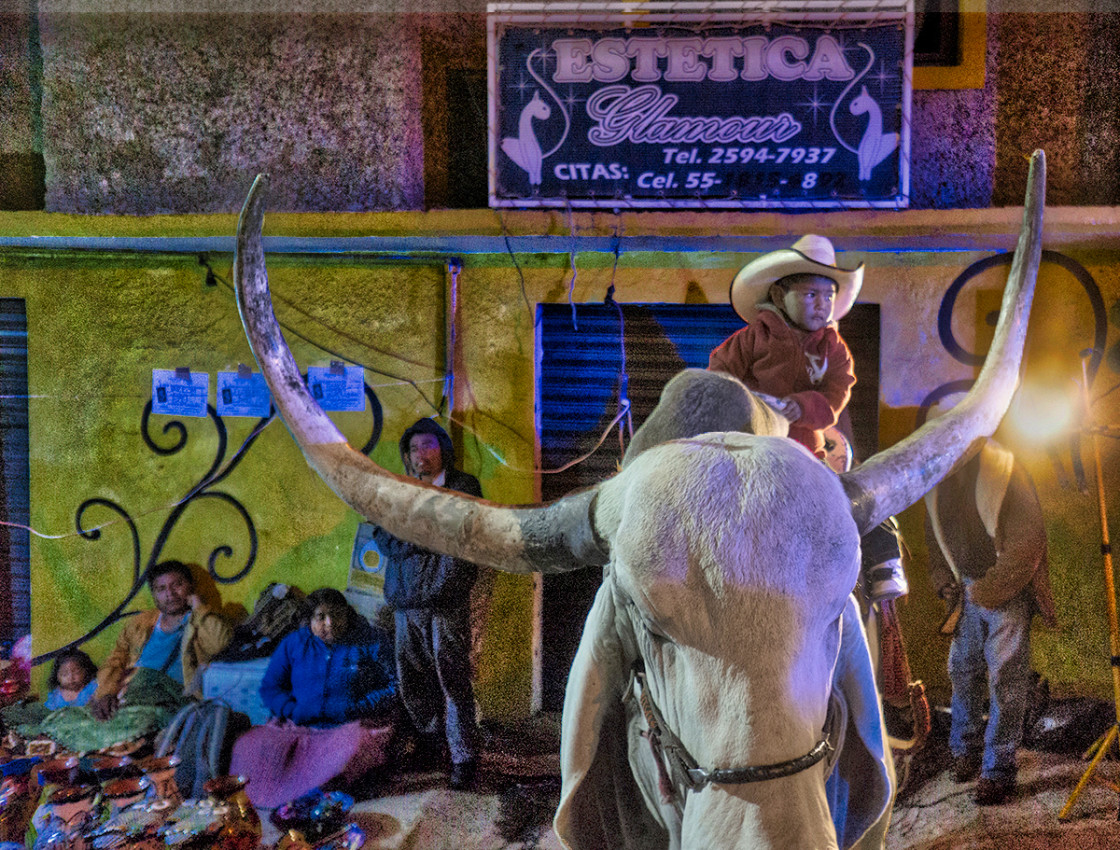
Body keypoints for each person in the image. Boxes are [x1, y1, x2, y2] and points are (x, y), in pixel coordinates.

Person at [924, 436, 1056, 805]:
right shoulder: (938, 481)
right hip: (965, 589)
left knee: (1006, 680)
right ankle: (964, 751)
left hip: (1005, 589)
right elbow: (934, 539)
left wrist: (987, 590)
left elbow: (1029, 543)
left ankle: (997, 770)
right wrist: (945, 584)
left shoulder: (1006, 471)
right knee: (961, 672)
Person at [369, 417, 483, 790]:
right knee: (413, 681)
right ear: (407, 455)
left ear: (443, 450)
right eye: (415, 448)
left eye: (429, 446)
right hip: (406, 603)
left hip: (445, 600)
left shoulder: (462, 486)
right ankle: (433, 745)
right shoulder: (397, 490)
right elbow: (383, 537)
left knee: (453, 680)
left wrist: (411, 532)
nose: (422, 455)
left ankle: (464, 758)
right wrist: (427, 537)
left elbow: (461, 531)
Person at [231, 588, 398, 807]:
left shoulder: (372, 641)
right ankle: (296, 795)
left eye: (337, 615)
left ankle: (321, 792)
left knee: (350, 748)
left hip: (351, 723)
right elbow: (272, 687)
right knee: (248, 745)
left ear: (347, 614)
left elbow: (394, 686)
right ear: (309, 620)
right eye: (321, 617)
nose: (330, 623)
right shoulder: (295, 644)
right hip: (299, 725)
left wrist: (359, 705)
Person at [708, 234, 862, 459]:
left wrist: (803, 408)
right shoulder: (754, 336)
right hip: (753, 446)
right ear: (779, 297)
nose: (821, 305)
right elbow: (720, 374)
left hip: (806, 452)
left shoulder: (834, 348)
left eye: (829, 297)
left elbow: (837, 394)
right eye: (811, 295)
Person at [90, 560, 233, 720]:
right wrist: (106, 692)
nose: (170, 594)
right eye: (161, 589)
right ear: (154, 594)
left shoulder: (201, 621)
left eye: (177, 585)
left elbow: (219, 643)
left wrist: (199, 607)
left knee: (145, 675)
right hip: (130, 695)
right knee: (65, 719)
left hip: (172, 701)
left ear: (191, 586)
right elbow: (115, 660)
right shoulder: (140, 623)